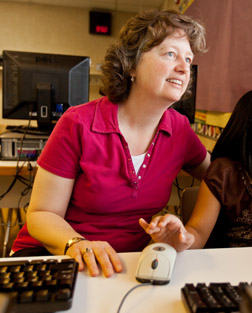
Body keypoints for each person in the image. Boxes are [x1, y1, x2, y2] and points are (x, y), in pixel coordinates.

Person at [10, 10, 210, 278]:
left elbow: (219, 177)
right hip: (57, 253)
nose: (185, 68)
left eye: (188, 59)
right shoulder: (78, 123)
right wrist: (77, 244)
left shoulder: (180, 129)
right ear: (131, 65)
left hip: (126, 265)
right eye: (170, 54)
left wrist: (187, 230)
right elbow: (41, 214)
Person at [140, 88, 252, 250]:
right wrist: (182, 238)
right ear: (247, 128)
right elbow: (198, 231)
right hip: (219, 267)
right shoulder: (223, 172)